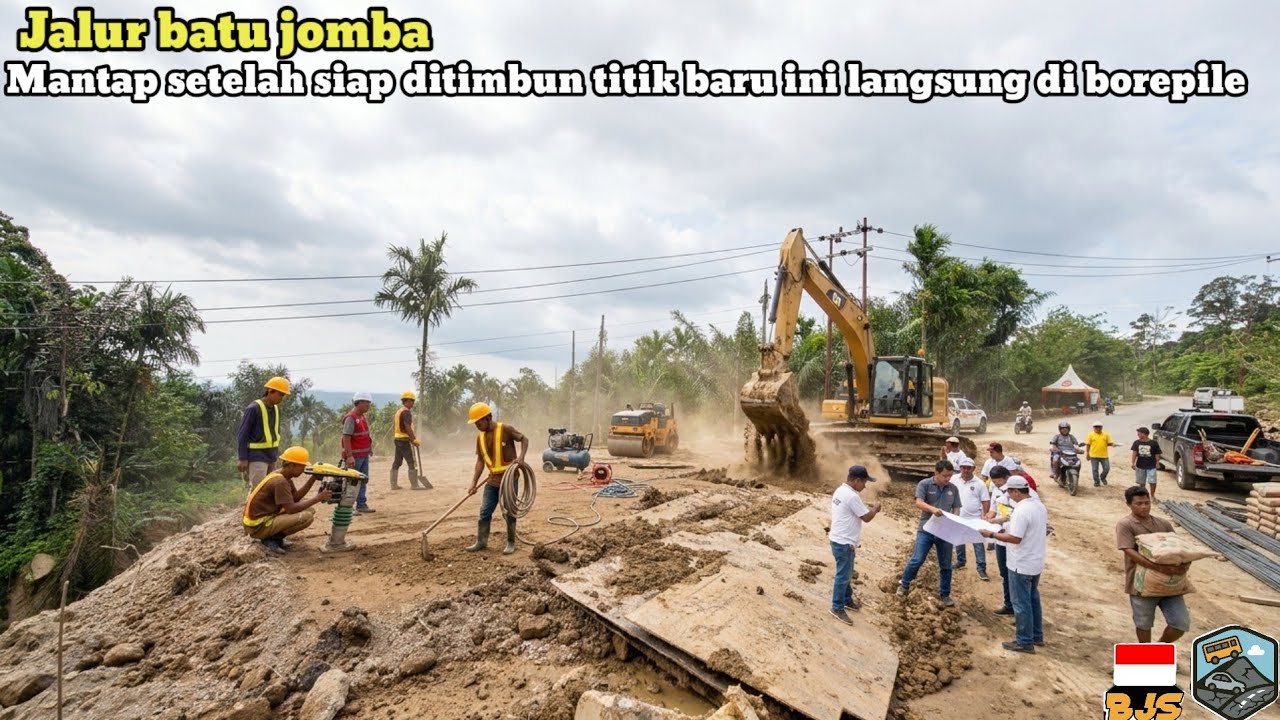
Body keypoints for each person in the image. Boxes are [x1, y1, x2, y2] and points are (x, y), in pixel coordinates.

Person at [1116, 486, 1191, 643]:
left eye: (1146, 503)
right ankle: (1147, 657)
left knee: (1180, 623)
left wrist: (1185, 563)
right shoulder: (1126, 525)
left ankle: (1158, 649)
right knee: (1143, 624)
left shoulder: (1163, 524)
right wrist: (1157, 567)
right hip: (1141, 583)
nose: (1144, 507)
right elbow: (1128, 550)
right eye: (1139, 503)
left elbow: (1178, 546)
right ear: (1128, 504)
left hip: (1170, 584)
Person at [980, 476, 1047, 653]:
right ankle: (1036, 635)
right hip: (1035, 561)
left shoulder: (1021, 510)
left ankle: (1024, 641)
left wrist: (991, 535)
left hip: (1020, 562)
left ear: (1016, 491)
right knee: (1033, 599)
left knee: (1021, 602)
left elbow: (1015, 538)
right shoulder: (1038, 506)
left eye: (1009, 491)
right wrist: (997, 522)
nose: (1008, 495)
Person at [242, 445, 332, 555]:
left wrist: (313, 478)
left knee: (310, 510)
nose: (303, 470)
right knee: (306, 517)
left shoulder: (282, 475)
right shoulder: (280, 482)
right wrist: (318, 498)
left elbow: (295, 498)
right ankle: (271, 540)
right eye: (302, 466)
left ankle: (273, 537)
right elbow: (291, 509)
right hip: (257, 527)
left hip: (261, 520)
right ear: (291, 465)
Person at [466, 402, 530, 554]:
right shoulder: (479, 438)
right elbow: (480, 461)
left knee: (509, 511)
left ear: (488, 418)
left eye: (479, 421)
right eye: (475, 423)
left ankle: (511, 542)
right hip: (492, 480)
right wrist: (473, 483)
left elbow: (524, 439)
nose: (477, 425)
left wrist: (521, 458)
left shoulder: (505, 429)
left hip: (509, 480)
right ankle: (481, 542)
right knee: (485, 511)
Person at [897, 460, 962, 606]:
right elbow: (918, 502)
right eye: (945, 476)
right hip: (926, 529)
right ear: (936, 473)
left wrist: (956, 517)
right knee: (917, 559)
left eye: (950, 476)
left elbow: (956, 507)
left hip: (945, 531)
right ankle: (904, 585)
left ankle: (945, 594)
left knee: (946, 564)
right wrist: (933, 510)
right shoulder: (924, 484)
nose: (947, 479)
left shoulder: (953, 488)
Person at [829, 465, 881, 624]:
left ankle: (846, 599)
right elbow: (866, 517)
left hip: (839, 539)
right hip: (844, 542)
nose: (865, 486)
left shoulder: (840, 490)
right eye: (864, 482)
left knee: (847, 572)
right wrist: (875, 508)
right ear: (857, 480)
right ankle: (837, 607)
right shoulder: (852, 496)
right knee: (843, 575)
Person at [236, 376, 290, 490]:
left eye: (283, 395)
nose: (282, 398)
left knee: (270, 489)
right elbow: (242, 434)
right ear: (270, 391)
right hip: (257, 456)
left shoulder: (275, 409)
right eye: (280, 394)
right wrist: (243, 458)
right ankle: (250, 508)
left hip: (271, 456)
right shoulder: (253, 408)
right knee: (258, 490)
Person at [951, 458, 991, 581]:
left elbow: (985, 501)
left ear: (973, 469)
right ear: (960, 468)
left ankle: (981, 568)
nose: (966, 470)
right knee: (959, 540)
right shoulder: (953, 480)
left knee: (978, 542)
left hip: (974, 517)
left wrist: (985, 516)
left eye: (969, 468)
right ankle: (961, 561)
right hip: (958, 515)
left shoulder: (979, 483)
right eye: (963, 467)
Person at [341, 392, 376, 513]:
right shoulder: (351, 418)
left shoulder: (361, 417)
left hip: (363, 455)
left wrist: (369, 448)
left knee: (363, 479)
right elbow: (346, 437)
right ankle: (347, 507)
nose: (368, 405)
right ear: (359, 402)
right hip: (355, 457)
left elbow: (364, 435)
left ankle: (361, 504)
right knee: (351, 481)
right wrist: (349, 456)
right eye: (367, 403)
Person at [390, 390, 427, 491]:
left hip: (397, 439)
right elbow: (407, 427)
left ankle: (393, 485)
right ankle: (414, 485)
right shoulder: (406, 412)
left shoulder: (399, 411)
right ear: (406, 401)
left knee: (397, 461)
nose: (413, 403)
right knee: (412, 462)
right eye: (412, 401)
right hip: (405, 439)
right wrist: (414, 439)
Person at [1130, 427, 1163, 502]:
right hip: (1140, 465)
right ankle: (1144, 495)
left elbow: (1157, 454)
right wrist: (1133, 463)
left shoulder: (1153, 443)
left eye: (1139, 433)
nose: (1138, 434)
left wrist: (1157, 463)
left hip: (1151, 465)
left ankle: (1152, 496)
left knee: (1152, 481)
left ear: (1144, 434)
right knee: (1142, 482)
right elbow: (1134, 453)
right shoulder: (1136, 443)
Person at [1085, 420, 1119, 487]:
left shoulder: (1105, 434)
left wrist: (1113, 444)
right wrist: (1087, 453)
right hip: (1094, 455)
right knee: (1095, 469)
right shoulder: (1090, 435)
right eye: (1095, 427)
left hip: (1104, 455)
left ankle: (1102, 477)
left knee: (1107, 468)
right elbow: (1088, 445)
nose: (1096, 428)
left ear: (1101, 427)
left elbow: (1108, 443)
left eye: (1098, 427)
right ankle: (1096, 482)